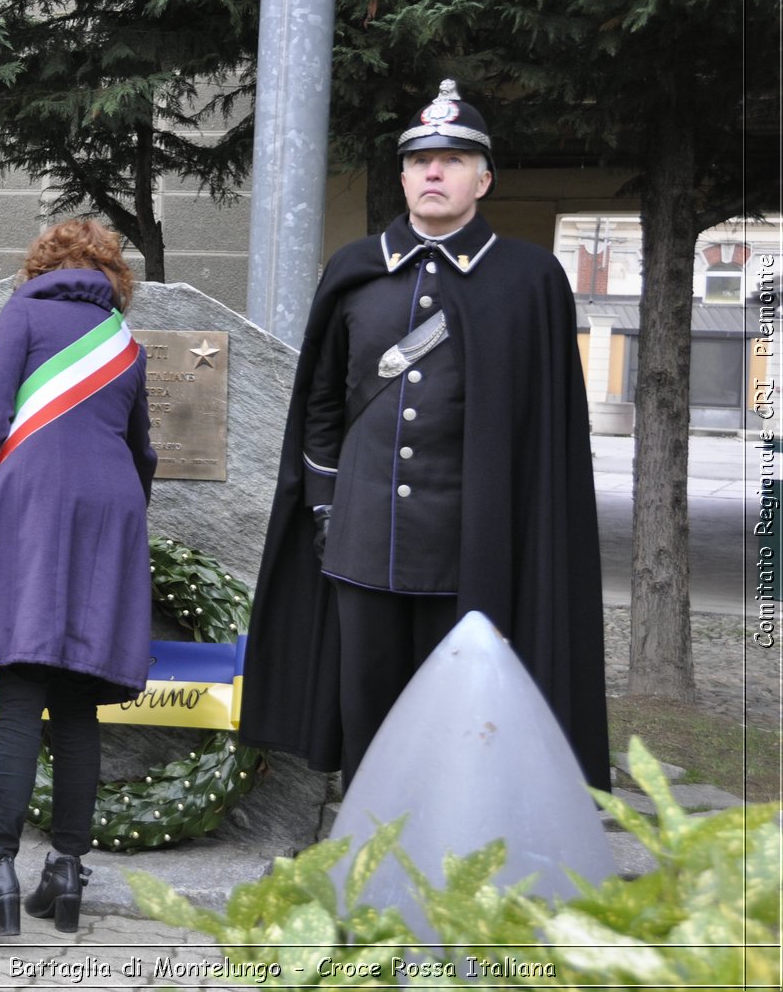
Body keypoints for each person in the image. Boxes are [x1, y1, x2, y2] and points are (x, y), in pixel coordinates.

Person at [240, 81, 610, 792]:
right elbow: (320, 403)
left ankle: (456, 865)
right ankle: (370, 857)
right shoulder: (355, 270)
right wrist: (325, 506)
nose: (434, 172)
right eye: (421, 161)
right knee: (369, 718)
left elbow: (548, 435)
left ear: (484, 177)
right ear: (404, 176)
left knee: (463, 722)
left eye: (453, 158)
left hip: (471, 550)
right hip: (361, 542)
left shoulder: (527, 280)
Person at [0, 218, 158, 941]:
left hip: (32, 503)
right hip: (110, 513)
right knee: (76, 700)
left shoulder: (24, 310)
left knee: (20, 688)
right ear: (111, 275)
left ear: (41, 263)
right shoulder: (124, 343)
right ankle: (66, 871)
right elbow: (143, 452)